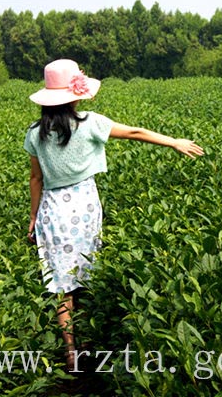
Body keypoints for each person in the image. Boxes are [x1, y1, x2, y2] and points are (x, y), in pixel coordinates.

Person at [24, 59, 204, 370]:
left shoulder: (35, 133)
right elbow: (134, 131)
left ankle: (70, 350)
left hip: (53, 211)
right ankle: (94, 338)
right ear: (75, 97)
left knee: (61, 282)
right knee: (87, 269)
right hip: (84, 206)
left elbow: (35, 179)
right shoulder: (89, 123)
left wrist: (33, 218)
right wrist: (173, 141)